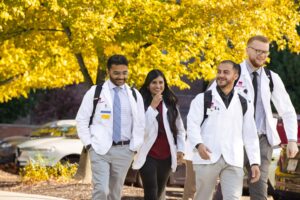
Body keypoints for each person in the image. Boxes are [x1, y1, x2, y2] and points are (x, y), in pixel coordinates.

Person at [234, 35, 299, 199]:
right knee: (229, 185)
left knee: (259, 187)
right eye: (257, 51)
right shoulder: (232, 73)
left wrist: (292, 139)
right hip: (235, 137)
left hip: (262, 139)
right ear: (247, 50)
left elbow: (288, 110)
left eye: (265, 52)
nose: (262, 55)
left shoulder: (271, 77)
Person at [187, 60, 261, 200]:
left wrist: (254, 162)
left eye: (226, 72)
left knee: (233, 198)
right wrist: (198, 144)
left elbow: (250, 134)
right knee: (203, 197)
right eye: (219, 71)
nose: (221, 75)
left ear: (235, 76)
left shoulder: (244, 102)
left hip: (233, 158)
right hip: (207, 155)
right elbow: (192, 125)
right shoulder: (202, 99)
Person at [76, 54, 145, 200]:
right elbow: (81, 119)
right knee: (101, 190)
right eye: (117, 73)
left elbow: (140, 124)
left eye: (124, 73)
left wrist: (134, 148)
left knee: (115, 194)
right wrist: (89, 145)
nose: (121, 77)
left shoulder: (134, 94)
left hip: (125, 151)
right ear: (108, 71)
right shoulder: (95, 92)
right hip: (100, 150)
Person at [132, 69, 186, 200]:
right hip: (148, 154)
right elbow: (141, 129)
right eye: (154, 82)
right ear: (148, 85)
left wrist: (181, 149)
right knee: (151, 192)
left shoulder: (171, 104)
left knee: (160, 192)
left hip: (166, 156)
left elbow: (180, 129)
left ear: (165, 84)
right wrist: (152, 107)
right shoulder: (140, 104)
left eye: (161, 82)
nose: (158, 86)